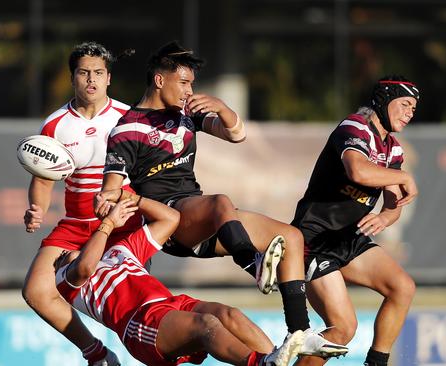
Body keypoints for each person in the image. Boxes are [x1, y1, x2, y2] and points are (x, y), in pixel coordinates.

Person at [97, 40, 348, 359]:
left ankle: (299, 331)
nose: (189, 90)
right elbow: (112, 185)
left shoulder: (186, 115)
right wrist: (107, 198)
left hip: (203, 217)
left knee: (292, 237)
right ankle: (253, 263)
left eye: (192, 84)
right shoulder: (128, 128)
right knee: (220, 203)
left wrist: (222, 108)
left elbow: (236, 134)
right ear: (160, 80)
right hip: (172, 221)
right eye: (183, 83)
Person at [56, 191, 310, 366]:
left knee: (228, 314)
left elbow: (171, 218)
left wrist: (129, 198)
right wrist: (108, 224)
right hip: (140, 321)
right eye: (60, 257)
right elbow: (86, 267)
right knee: (206, 325)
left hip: (173, 303)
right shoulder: (66, 280)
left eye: (64, 251)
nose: (63, 254)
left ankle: (275, 359)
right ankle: (261, 363)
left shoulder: (119, 251)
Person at [291, 75, 419, 366]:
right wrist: (404, 177)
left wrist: (386, 217)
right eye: (405, 104)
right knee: (343, 329)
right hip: (314, 240)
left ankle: (376, 364)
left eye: (414, 108)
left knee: (402, 287)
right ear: (385, 100)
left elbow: (393, 201)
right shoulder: (354, 127)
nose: (410, 112)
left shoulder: (392, 148)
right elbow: (358, 172)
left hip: (349, 238)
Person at [21, 42, 137, 365]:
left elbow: (144, 174)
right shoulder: (56, 124)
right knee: (36, 291)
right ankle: (97, 354)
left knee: (126, 304)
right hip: (74, 225)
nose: (91, 80)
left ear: (108, 78)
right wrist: (37, 209)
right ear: (73, 77)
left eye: (98, 73)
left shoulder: (127, 117)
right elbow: (42, 180)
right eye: (84, 72)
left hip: (120, 225)